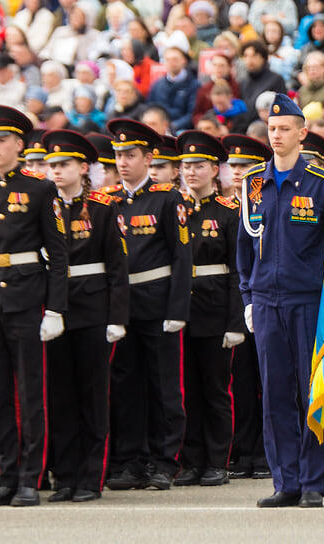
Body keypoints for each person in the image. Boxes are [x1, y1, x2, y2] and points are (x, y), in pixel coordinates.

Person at [0, 105, 69, 507]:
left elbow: (58, 255)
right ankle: (4, 476)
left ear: (19, 145)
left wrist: (55, 308)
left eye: (1, 140)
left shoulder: (40, 188)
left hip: (26, 299)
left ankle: (30, 476)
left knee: (30, 394)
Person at [237, 93, 324, 508]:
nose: (276, 136)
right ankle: (287, 481)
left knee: (313, 392)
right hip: (266, 300)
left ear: (302, 133)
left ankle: (314, 481)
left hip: (308, 300)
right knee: (275, 392)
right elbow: (245, 246)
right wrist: (247, 296)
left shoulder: (322, 184)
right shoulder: (253, 184)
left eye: (284, 129)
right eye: (271, 129)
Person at [102, 119, 191, 492]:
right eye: (118, 155)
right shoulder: (107, 200)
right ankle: (129, 460)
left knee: (163, 385)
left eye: (131, 155)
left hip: (158, 303)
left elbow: (182, 257)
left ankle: (164, 460)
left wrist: (177, 311)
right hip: (124, 307)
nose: (123, 162)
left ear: (148, 158)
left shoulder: (168, 198)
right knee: (125, 386)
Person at [42, 129, 129, 503]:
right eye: (52, 166)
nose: (57, 172)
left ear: (83, 167)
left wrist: (116, 316)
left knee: (93, 395)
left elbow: (117, 266)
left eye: (64, 165)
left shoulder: (102, 207)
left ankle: (91, 476)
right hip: (54, 309)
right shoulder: (42, 206)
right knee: (61, 396)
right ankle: (66, 475)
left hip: (93, 308)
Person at [173, 130, 244, 488]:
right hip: (182, 310)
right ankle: (191, 459)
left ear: (215, 170)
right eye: (186, 165)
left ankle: (217, 460)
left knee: (215, 389)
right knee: (187, 390)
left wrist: (235, 322)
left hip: (216, 310)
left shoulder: (230, 213)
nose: (191, 172)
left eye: (199, 165)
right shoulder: (176, 209)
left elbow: (236, 273)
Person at [221, 133, 272, 480]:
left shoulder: (261, 201)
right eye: (233, 165)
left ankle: (266, 452)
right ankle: (245, 449)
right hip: (236, 302)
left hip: (266, 298)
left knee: (268, 383)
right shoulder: (225, 207)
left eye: (245, 165)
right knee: (240, 383)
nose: (237, 172)